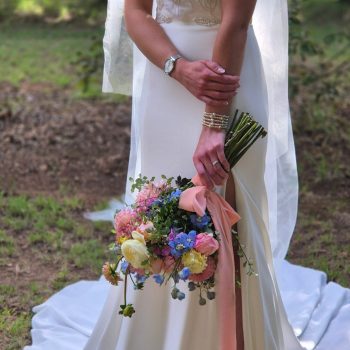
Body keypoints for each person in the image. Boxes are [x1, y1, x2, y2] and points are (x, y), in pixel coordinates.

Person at [25, 1, 350, 349]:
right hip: (165, 81)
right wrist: (177, 68)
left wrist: (214, 123)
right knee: (160, 210)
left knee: (226, 219)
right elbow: (136, 12)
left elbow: (236, 23)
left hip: (227, 78)